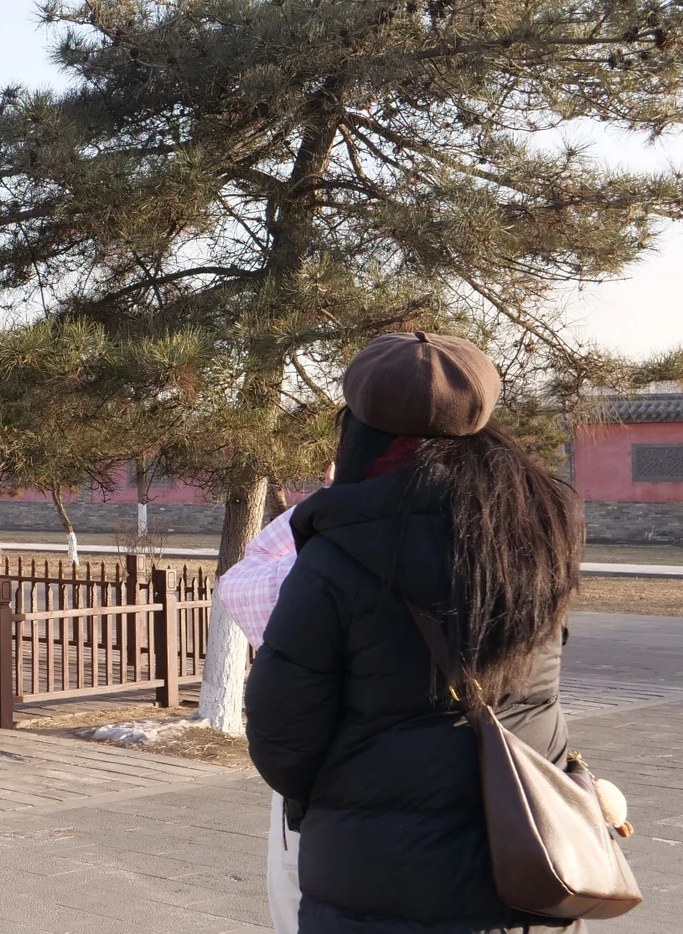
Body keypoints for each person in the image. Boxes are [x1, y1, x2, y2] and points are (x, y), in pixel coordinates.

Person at [245, 332, 587, 933]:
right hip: (531, 849)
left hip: (376, 874)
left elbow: (283, 738)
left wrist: (350, 793)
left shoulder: (334, 552)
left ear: (358, 426)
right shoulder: (543, 531)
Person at [220, 462, 333, 934]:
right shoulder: (520, 522)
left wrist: (329, 503)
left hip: (342, 794)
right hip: (487, 790)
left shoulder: (334, 551)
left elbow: (244, 584)